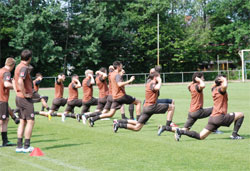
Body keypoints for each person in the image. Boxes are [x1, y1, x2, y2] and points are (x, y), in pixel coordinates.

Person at [175, 75, 244, 141]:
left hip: (212, 118)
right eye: (225, 80)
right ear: (221, 82)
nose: (227, 81)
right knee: (240, 114)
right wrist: (224, 80)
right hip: (220, 117)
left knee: (201, 136)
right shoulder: (221, 90)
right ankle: (234, 134)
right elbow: (225, 86)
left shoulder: (213, 89)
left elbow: (216, 84)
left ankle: (181, 131)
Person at [88, 61, 141, 127]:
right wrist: (130, 80)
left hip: (115, 97)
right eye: (121, 66)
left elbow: (114, 80)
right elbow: (119, 84)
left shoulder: (111, 74)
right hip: (121, 96)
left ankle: (93, 119)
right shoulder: (117, 74)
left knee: (110, 114)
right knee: (138, 102)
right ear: (118, 66)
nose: (122, 67)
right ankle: (139, 121)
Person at [15, 50, 35, 153]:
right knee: (30, 121)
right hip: (24, 98)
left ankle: (19, 146)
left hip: (18, 97)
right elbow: (19, 81)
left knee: (22, 121)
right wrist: (25, 93)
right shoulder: (24, 68)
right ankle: (26, 146)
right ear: (30, 58)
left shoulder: (18, 66)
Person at [0, 58, 16, 146]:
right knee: (2, 121)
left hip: (2, 99)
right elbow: (6, 84)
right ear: (12, 65)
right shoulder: (6, 72)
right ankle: (5, 141)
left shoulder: (0, 70)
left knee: (5, 119)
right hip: (2, 99)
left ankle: (5, 141)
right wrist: (16, 86)